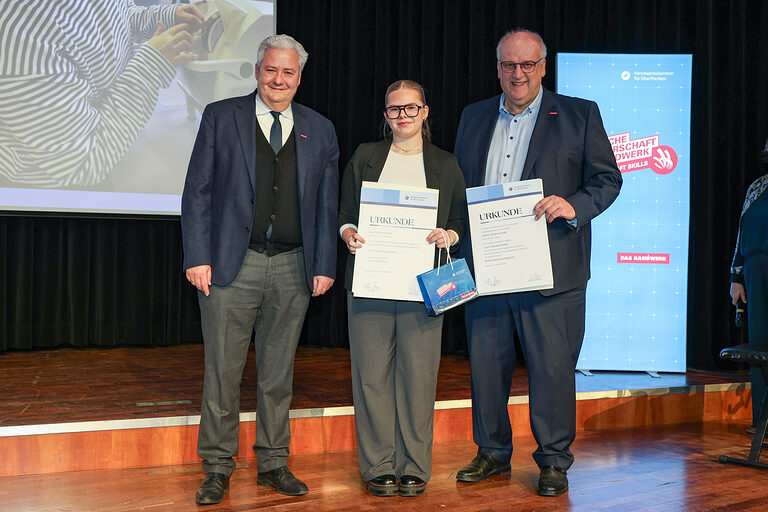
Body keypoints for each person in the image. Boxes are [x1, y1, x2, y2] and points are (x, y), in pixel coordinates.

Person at [453, 29, 622, 496]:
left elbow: (607, 179)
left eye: (527, 64)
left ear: (543, 66)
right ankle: (491, 452)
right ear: (498, 68)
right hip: (488, 267)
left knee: (552, 370)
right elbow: (459, 184)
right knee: (486, 367)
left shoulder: (579, 114)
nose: (518, 73)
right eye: (509, 64)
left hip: (552, 271)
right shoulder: (473, 116)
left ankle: (553, 460)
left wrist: (573, 205)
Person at [181, 34, 339, 505]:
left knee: (278, 374)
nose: (278, 79)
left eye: (288, 72)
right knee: (222, 373)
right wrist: (197, 256)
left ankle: (273, 462)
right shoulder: (220, 116)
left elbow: (326, 204)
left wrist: (324, 264)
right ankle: (216, 467)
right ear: (256, 71)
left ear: (299, 78)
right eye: (271, 70)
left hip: (294, 267)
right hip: (231, 266)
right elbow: (197, 192)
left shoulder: (320, 129)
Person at [338, 80, 467, 497]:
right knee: (371, 378)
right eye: (395, 109)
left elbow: (460, 220)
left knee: (418, 378)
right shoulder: (366, 156)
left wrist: (449, 235)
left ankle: (414, 466)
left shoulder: (445, 163)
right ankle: (378, 466)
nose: (403, 116)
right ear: (386, 115)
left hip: (424, 288)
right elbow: (344, 211)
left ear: (424, 112)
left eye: (411, 108)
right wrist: (348, 232)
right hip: (371, 282)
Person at [0, 0, 203, 187]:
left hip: (117, 115)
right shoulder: (16, 39)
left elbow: (116, 16)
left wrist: (161, 18)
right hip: (63, 183)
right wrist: (152, 63)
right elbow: (84, 163)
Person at [730, 136, 768, 431]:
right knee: (759, 345)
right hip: (755, 271)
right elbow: (741, 236)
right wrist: (736, 277)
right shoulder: (757, 187)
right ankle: (762, 421)